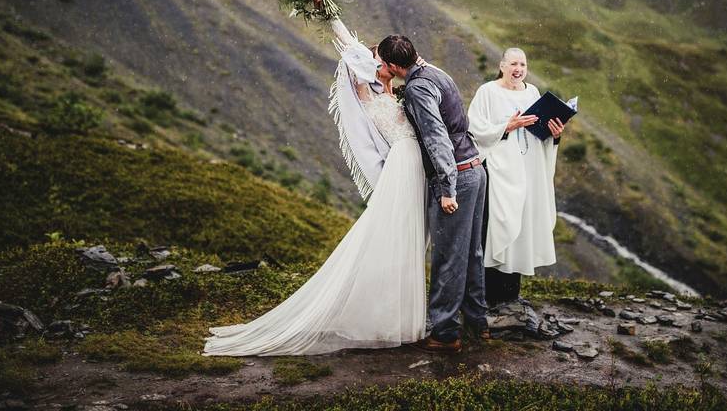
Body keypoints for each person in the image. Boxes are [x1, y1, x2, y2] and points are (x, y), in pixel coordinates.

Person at [202, 18, 428, 356]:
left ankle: (394, 317)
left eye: (383, 61)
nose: (380, 65)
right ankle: (381, 317)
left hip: (411, 166)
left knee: (403, 239)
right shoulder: (366, 88)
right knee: (389, 236)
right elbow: (352, 49)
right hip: (402, 166)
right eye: (378, 61)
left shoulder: (392, 85)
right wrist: (325, 8)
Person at [379, 34, 489, 354]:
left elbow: (437, 138)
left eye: (384, 64)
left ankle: (445, 332)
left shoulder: (417, 88)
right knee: (471, 252)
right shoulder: (437, 73)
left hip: (458, 177)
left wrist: (446, 188)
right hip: (475, 168)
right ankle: (478, 321)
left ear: (394, 66)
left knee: (448, 257)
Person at [467, 47, 565, 306]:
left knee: (521, 228)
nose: (518, 69)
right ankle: (486, 297)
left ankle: (510, 294)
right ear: (502, 65)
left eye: (522, 64)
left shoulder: (532, 92)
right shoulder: (487, 92)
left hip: (528, 171)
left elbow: (539, 132)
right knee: (496, 227)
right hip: (499, 173)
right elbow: (474, 129)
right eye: (513, 63)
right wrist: (507, 127)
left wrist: (555, 134)